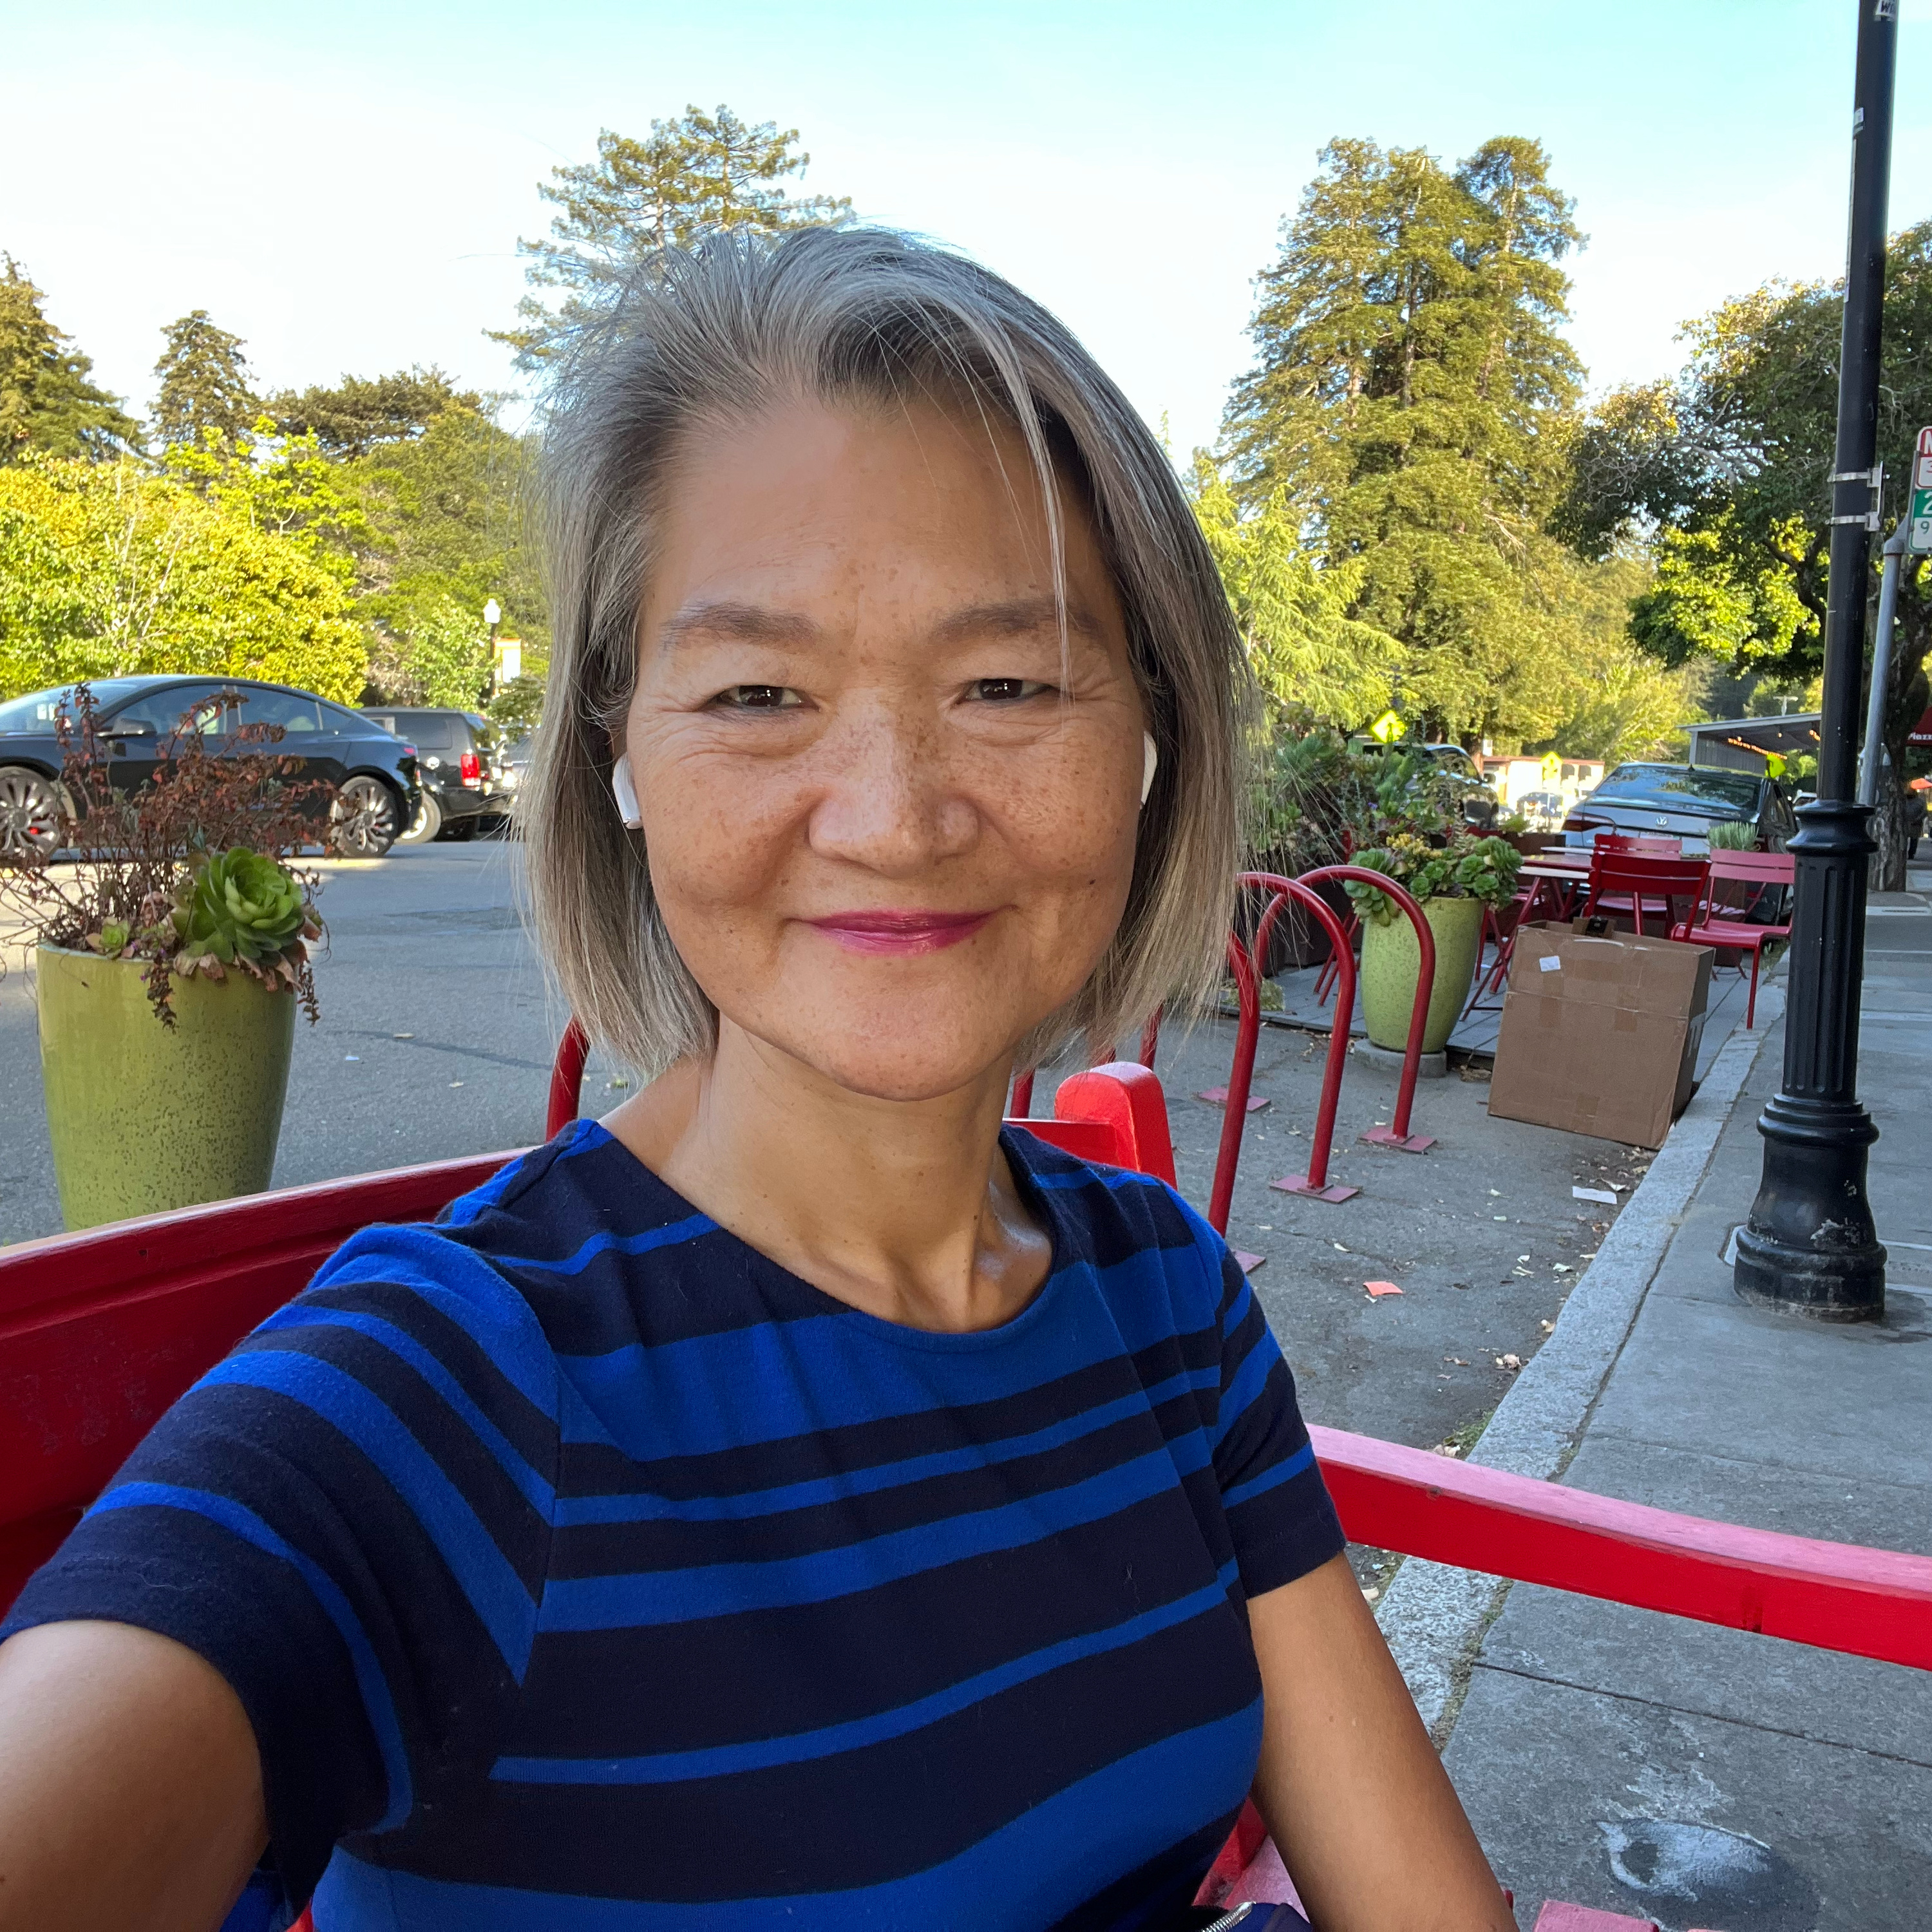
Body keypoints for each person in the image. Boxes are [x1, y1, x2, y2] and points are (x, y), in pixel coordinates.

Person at [0, 230, 1512, 1932]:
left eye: (1008, 684)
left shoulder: (1170, 1304)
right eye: (758, 692)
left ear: (1152, 742)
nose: (893, 816)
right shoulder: (453, 1390)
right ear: (621, 754)